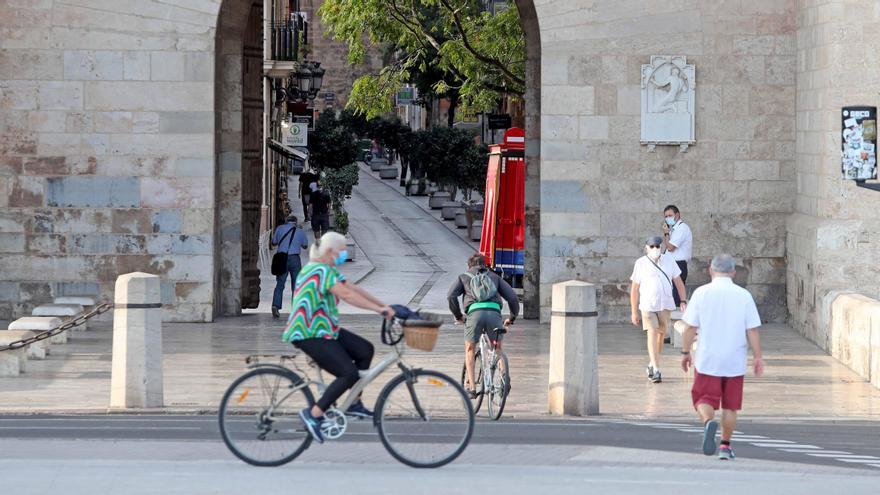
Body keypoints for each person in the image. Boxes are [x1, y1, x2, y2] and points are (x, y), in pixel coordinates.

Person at [283, 231, 395, 444]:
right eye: (342, 250)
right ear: (329, 251)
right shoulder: (319, 270)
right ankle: (314, 414)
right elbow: (347, 295)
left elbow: (353, 288)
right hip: (309, 332)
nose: (344, 253)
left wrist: (385, 306)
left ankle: (354, 403)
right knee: (349, 373)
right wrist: (379, 311)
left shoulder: (328, 270)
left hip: (326, 330)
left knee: (365, 350)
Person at [680, 254, 763, 461]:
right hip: (734, 359)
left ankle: (708, 422)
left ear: (710, 270)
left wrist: (685, 352)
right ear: (733, 272)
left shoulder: (701, 293)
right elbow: (752, 329)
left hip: (708, 358)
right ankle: (725, 446)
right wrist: (758, 357)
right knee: (730, 405)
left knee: (702, 399)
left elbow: (690, 327)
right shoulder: (743, 295)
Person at [447, 253, 520, 398]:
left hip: (474, 315)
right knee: (497, 348)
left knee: (470, 349)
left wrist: (459, 316)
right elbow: (512, 298)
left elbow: (451, 296)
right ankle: (504, 378)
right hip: (494, 314)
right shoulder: (495, 277)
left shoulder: (464, 277)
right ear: (485, 265)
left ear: (469, 265)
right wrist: (511, 318)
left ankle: (472, 388)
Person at [630, 236, 687, 383]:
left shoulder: (669, 261)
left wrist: (682, 300)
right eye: (652, 246)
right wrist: (634, 311)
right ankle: (656, 369)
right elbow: (634, 289)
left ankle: (651, 363)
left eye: (657, 246)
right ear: (646, 248)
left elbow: (678, 282)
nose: (655, 249)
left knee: (661, 335)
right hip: (648, 305)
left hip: (665, 304)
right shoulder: (641, 263)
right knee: (652, 332)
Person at [270, 214, 310, 318]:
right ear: (296, 222)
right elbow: (305, 246)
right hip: (295, 259)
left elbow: (273, 243)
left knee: (280, 283)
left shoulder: (280, 228)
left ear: (287, 221)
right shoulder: (300, 231)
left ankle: (276, 305)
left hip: (282, 258)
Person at [661, 204, 693, 308]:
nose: (667, 218)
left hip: (678, 264)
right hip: (671, 264)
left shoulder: (682, 228)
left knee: (676, 297)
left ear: (677, 215)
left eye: (670, 215)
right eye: (666, 216)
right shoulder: (674, 229)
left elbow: (670, 247)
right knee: (670, 295)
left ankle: (676, 322)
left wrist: (666, 233)